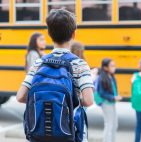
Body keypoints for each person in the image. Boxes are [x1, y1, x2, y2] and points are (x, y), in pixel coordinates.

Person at [16, 9, 94, 141]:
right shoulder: (80, 64)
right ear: (74, 34)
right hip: (69, 133)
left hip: (39, 134)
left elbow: (20, 96)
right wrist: (67, 102)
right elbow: (88, 100)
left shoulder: (39, 63)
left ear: (49, 34)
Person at [95, 58, 122, 142]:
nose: (114, 67)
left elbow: (113, 89)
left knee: (114, 125)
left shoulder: (111, 76)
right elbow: (102, 93)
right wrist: (113, 97)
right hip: (106, 103)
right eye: (112, 66)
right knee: (109, 124)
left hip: (112, 103)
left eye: (114, 65)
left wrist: (115, 96)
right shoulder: (102, 78)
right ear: (105, 67)